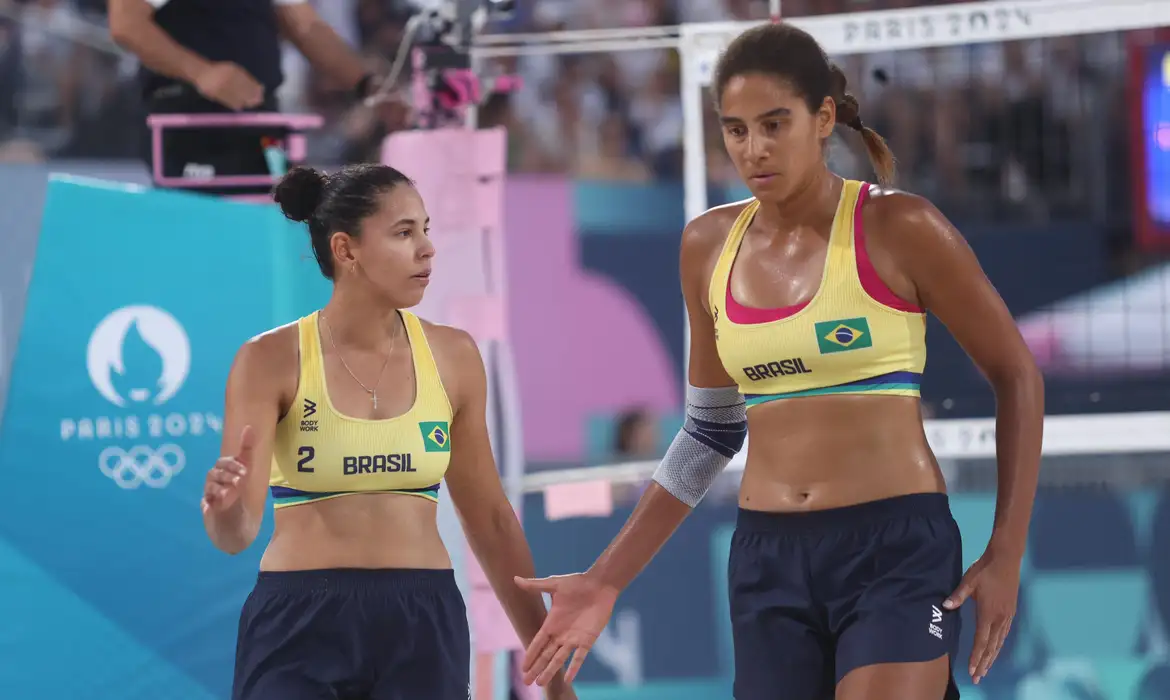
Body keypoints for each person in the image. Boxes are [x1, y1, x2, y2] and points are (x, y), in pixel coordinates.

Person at [515, 22, 1044, 700]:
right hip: (768, 559)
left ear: (823, 118)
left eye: (774, 124)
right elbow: (709, 431)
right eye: (736, 130)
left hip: (895, 549)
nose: (753, 149)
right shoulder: (707, 245)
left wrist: (1007, 547)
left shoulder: (899, 227)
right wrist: (605, 577)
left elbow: (1017, 375)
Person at [200, 164, 575, 700]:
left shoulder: (455, 356)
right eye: (404, 233)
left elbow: (492, 522)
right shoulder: (269, 359)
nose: (427, 249)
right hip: (299, 622)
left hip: (421, 619)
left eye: (425, 229)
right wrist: (222, 508)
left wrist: (553, 677)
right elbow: (236, 534)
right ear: (346, 251)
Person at [108, 0, 378, 193]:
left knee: (273, 224)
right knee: (202, 232)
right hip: (190, 124)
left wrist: (370, 87)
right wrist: (201, 72)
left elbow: (306, 27)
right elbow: (126, 23)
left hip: (261, 123)